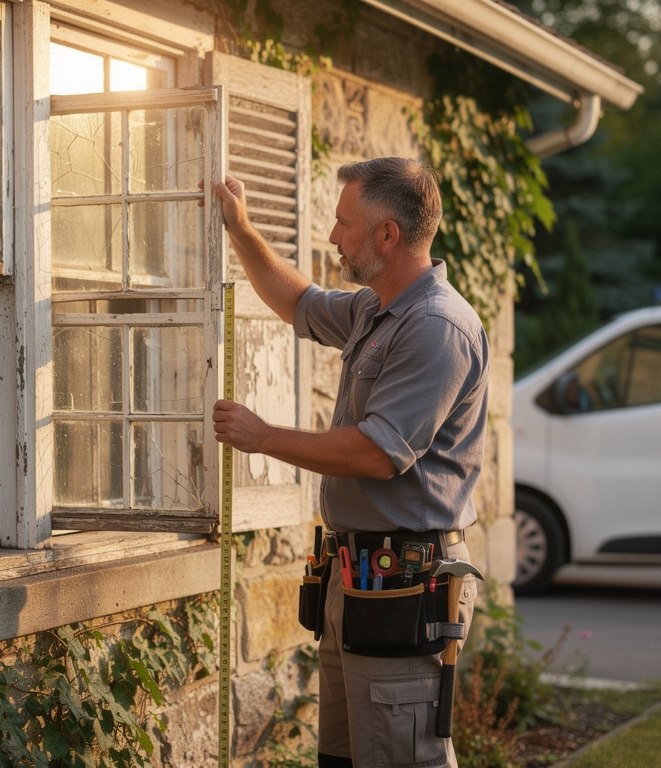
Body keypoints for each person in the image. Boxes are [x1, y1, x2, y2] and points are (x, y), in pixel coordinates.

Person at [210, 157, 488, 768]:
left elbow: (378, 452)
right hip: (361, 580)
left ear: (388, 235)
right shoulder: (375, 309)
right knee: (344, 758)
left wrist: (263, 437)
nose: (333, 236)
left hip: (406, 584)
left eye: (344, 223)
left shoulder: (437, 327)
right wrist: (240, 228)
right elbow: (297, 300)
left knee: (399, 759)